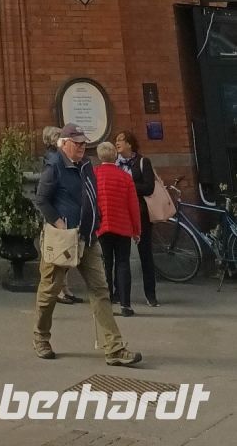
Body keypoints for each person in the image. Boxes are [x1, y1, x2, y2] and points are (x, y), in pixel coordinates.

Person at [33, 123, 140, 366]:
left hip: (89, 237)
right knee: (49, 291)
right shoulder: (54, 166)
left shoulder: (86, 165)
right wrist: (59, 223)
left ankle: (114, 348)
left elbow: (92, 195)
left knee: (100, 291)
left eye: (84, 142)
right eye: (77, 143)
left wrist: (97, 218)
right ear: (64, 143)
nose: (82, 146)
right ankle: (41, 337)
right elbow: (42, 199)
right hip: (63, 240)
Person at [95, 141, 141, 316]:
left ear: (99, 156)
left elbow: (90, 202)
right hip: (123, 226)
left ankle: (106, 305)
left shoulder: (95, 174)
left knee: (105, 265)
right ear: (115, 156)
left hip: (102, 226)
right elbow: (133, 206)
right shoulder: (125, 177)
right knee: (123, 264)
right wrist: (136, 230)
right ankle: (125, 305)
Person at [115, 130, 159, 306]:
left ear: (130, 144)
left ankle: (151, 294)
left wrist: (128, 185)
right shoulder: (115, 163)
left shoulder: (142, 162)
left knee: (145, 254)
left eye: (121, 140)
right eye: (116, 140)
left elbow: (149, 187)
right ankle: (119, 293)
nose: (117, 143)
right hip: (120, 213)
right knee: (121, 256)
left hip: (140, 213)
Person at [42, 125, 81, 305]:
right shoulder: (53, 160)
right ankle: (57, 292)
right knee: (59, 256)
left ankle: (64, 289)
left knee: (66, 254)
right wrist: (57, 221)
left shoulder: (59, 157)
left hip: (64, 215)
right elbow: (43, 196)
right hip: (59, 216)